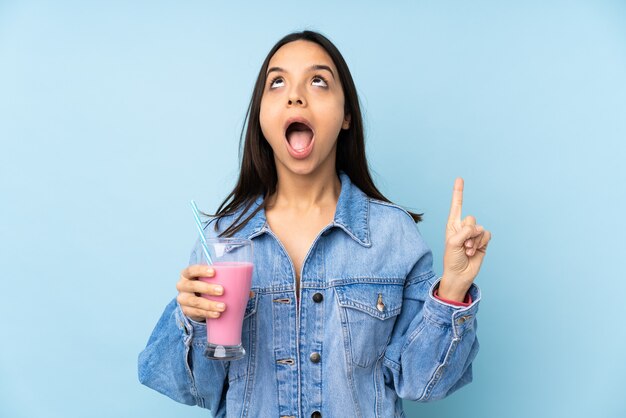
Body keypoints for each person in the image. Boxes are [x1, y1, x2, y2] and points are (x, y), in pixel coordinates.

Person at [138, 30, 491, 418]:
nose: (295, 95)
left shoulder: (394, 235)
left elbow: (422, 382)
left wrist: (454, 288)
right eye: (277, 82)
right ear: (261, 117)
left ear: (346, 116)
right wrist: (191, 318)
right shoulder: (223, 241)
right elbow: (189, 388)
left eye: (318, 80)